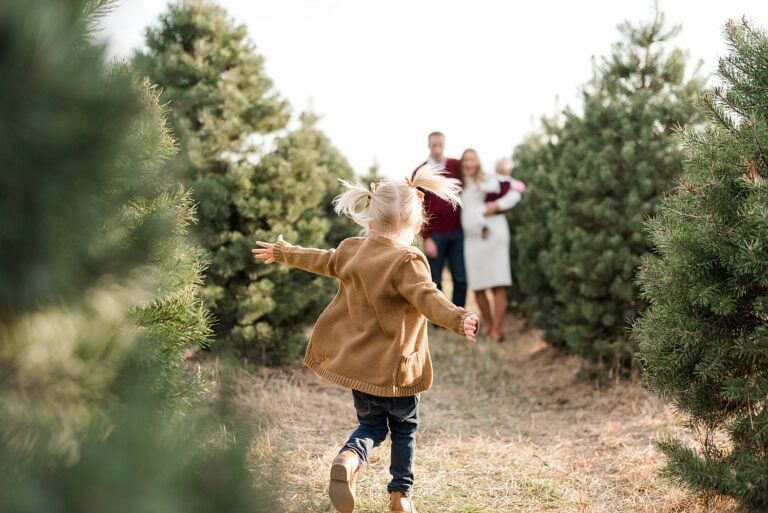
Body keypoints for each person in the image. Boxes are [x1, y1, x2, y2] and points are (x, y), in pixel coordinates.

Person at [252, 164, 479, 513]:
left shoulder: (351, 250)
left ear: (370, 221)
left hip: (362, 367)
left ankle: (349, 457)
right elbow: (429, 299)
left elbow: (322, 259)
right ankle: (400, 495)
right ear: (417, 224)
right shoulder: (407, 261)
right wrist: (460, 317)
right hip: (398, 369)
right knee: (404, 429)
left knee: (371, 425)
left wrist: (285, 252)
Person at [459, 149, 524, 342]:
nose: (470, 164)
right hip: (471, 239)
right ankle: (488, 325)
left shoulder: (490, 179)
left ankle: (497, 329)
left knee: (498, 283)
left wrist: (496, 206)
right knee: (478, 286)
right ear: (461, 164)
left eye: (473, 160)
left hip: (494, 234)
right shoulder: (459, 183)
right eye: (466, 161)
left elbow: (516, 192)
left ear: (478, 161)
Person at [415, 132, 467, 307]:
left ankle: (460, 316)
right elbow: (418, 207)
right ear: (429, 146)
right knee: (435, 279)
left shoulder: (455, 165)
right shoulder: (421, 171)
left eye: (440, 145)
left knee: (460, 277)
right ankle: (440, 319)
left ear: (444, 145)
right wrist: (427, 237)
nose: (437, 149)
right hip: (435, 234)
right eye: (434, 145)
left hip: (458, 231)